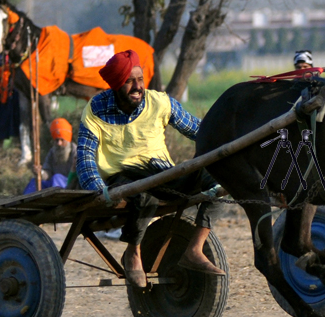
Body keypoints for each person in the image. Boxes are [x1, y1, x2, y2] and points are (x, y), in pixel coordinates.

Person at [75, 49, 223, 288]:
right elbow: (84, 157)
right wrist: (98, 190)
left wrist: (232, 140)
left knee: (218, 179)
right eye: (129, 81)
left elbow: (199, 130)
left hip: (162, 173)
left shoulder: (160, 102)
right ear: (115, 85)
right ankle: (133, 253)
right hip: (122, 179)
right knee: (143, 195)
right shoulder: (96, 109)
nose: (137, 86)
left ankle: (194, 249)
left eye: (140, 79)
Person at [22, 117, 78, 193]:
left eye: (62, 140)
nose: (59, 143)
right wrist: (40, 173)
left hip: (69, 186)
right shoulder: (52, 152)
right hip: (52, 184)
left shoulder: (76, 152)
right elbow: (47, 173)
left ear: (68, 140)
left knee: (57, 177)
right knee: (34, 182)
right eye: (57, 140)